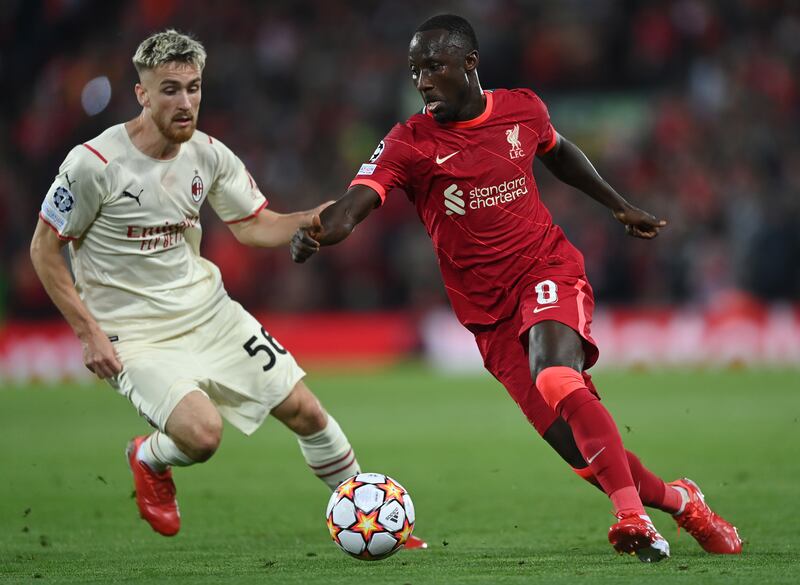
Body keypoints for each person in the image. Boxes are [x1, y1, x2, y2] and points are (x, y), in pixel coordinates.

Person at [291, 14, 741, 561]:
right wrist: (318, 233)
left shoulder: (523, 108)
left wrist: (617, 203)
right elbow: (352, 209)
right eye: (415, 71)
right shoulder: (410, 142)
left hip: (546, 269)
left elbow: (558, 153)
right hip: (488, 316)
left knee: (555, 375)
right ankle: (682, 500)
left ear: (469, 63)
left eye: (434, 66)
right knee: (586, 458)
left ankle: (631, 517)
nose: (423, 81)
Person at [28, 29, 426, 549]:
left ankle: (372, 523)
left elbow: (254, 224)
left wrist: (310, 218)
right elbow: (43, 249)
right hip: (133, 334)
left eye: (193, 87)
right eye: (170, 89)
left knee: (306, 411)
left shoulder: (208, 154)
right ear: (142, 94)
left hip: (209, 312)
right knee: (202, 435)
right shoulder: (93, 166)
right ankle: (147, 456)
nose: (185, 101)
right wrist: (88, 333)